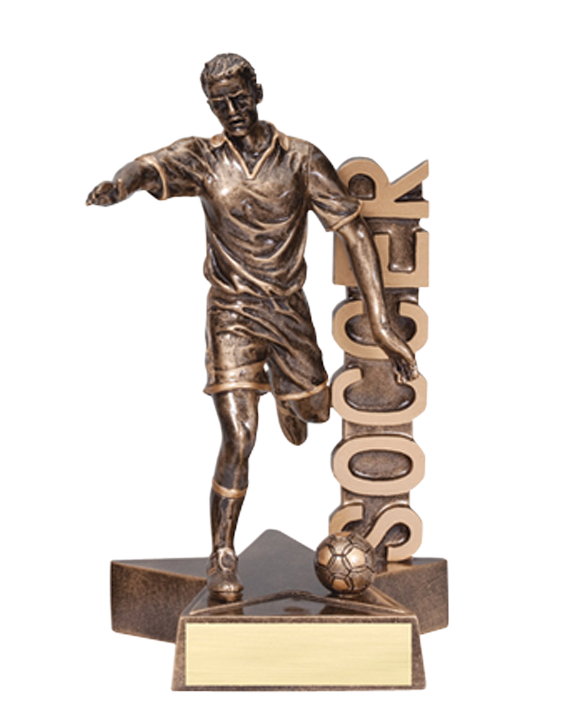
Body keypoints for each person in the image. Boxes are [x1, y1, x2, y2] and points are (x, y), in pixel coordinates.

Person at [87, 53, 418, 602]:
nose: (231, 110)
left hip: (287, 312)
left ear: (259, 92)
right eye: (219, 104)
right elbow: (146, 168)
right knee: (239, 436)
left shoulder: (301, 158)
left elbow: (354, 232)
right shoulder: (203, 158)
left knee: (317, 411)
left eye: (239, 98)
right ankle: (223, 551)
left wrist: (381, 324)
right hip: (232, 315)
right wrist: (120, 186)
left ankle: (291, 393)